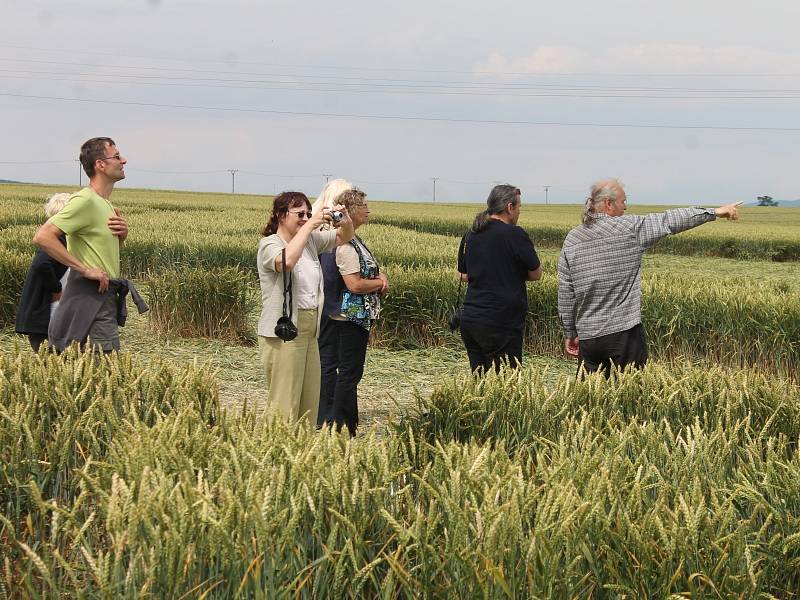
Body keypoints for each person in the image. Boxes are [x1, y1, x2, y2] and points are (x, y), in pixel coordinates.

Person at [557, 178, 742, 376]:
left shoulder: (572, 239)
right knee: (631, 399)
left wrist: (570, 332)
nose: (626, 207)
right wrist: (714, 212)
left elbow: (566, 292)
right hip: (624, 336)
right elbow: (670, 220)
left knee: (592, 402)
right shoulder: (629, 228)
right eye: (623, 201)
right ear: (608, 204)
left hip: (588, 340)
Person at [32, 137, 146, 353]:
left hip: (104, 296)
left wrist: (121, 238)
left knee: (99, 370)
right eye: (117, 156)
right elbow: (43, 236)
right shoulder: (85, 200)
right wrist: (85, 269)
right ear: (100, 165)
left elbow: (100, 255)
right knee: (102, 369)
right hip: (90, 297)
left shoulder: (107, 205)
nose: (124, 160)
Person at [257, 191, 354, 426]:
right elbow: (287, 262)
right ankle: (276, 450)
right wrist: (310, 225)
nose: (304, 217)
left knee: (309, 400)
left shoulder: (310, 241)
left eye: (308, 213)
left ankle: (301, 450)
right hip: (284, 331)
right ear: (281, 215)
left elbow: (343, 237)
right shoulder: (269, 244)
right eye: (299, 213)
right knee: (285, 400)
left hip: (311, 329)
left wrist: (346, 221)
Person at [317, 188, 388, 436]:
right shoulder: (345, 245)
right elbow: (355, 284)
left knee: (349, 371)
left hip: (349, 316)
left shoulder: (351, 239)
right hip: (349, 317)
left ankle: (348, 423)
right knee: (349, 372)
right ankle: (340, 425)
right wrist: (380, 283)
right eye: (365, 206)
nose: (368, 210)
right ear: (353, 211)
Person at [457, 184, 542, 373]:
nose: (519, 212)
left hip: (471, 320)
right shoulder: (514, 234)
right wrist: (509, 273)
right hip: (501, 321)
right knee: (505, 386)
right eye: (519, 207)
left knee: (480, 383)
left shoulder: (472, 233)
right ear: (509, 207)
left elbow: (463, 275)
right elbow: (536, 273)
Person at [15, 193, 72, 351]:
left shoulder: (62, 239)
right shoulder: (57, 240)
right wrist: (56, 288)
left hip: (48, 319)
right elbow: (41, 264)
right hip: (44, 320)